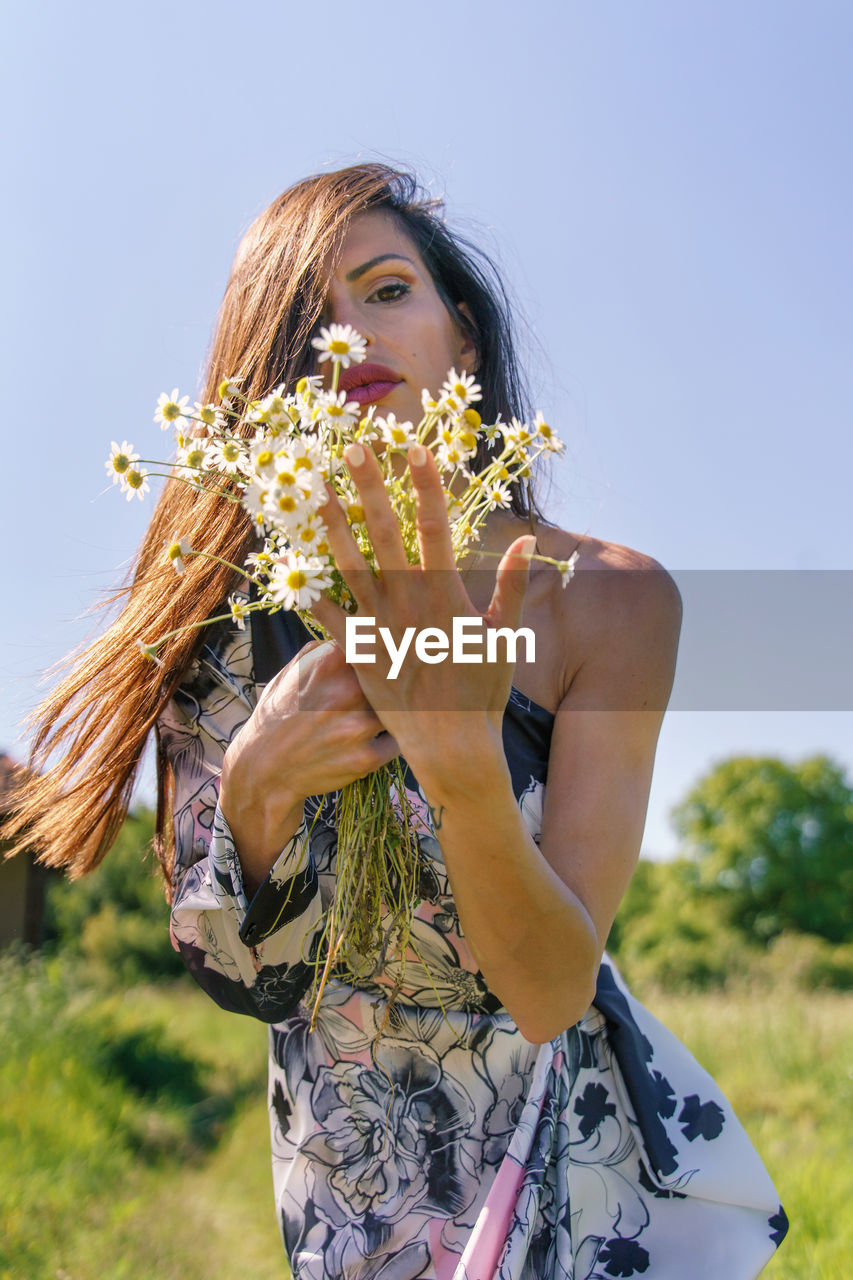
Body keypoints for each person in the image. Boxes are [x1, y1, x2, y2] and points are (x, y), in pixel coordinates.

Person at [6, 165, 787, 1279]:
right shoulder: (228, 621)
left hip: (563, 1182)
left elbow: (552, 985)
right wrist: (257, 789)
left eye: (384, 290)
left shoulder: (612, 598)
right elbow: (241, 979)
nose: (347, 333)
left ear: (459, 339)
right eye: (300, 324)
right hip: (352, 1201)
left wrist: (461, 759)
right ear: (258, 392)